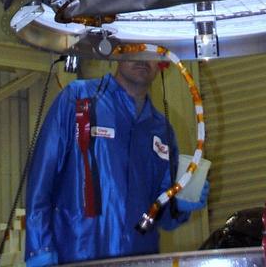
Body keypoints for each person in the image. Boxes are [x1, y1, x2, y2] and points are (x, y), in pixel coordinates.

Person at [25, 57, 208, 266]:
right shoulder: (79, 99)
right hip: (77, 253)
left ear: (162, 62)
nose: (142, 57)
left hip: (139, 259)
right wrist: (40, 248)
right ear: (117, 52)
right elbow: (42, 176)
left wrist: (180, 201)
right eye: (135, 46)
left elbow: (162, 214)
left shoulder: (161, 129)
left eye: (152, 50)